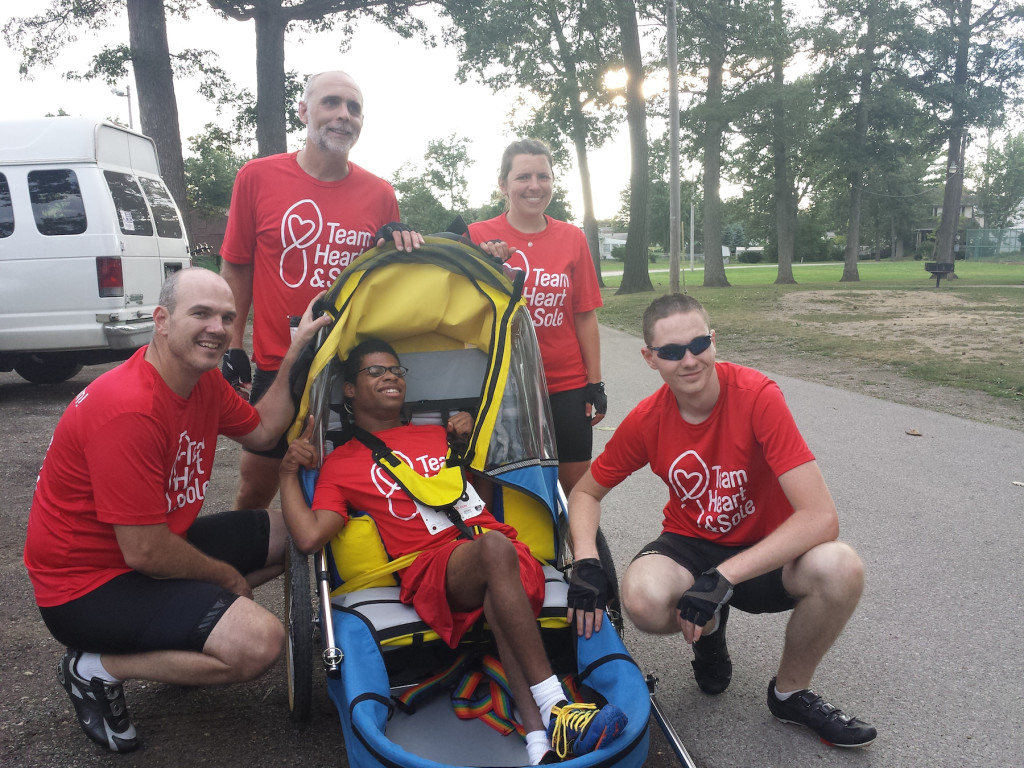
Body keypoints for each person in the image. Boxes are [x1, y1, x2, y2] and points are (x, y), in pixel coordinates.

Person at [23, 267, 332, 753]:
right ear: (162, 320)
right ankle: (94, 668)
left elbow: (264, 430)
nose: (218, 327)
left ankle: (188, 630)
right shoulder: (129, 407)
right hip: (86, 587)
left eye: (227, 317)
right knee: (258, 644)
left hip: (149, 552)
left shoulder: (200, 381)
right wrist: (227, 581)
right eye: (201, 313)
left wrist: (298, 349)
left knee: (289, 531)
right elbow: (144, 551)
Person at [279, 339, 627, 763]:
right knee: (493, 551)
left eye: (396, 370)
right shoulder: (342, 463)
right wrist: (286, 473)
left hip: (498, 556)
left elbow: (469, 500)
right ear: (348, 390)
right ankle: (557, 705)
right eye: (375, 371)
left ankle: (539, 741)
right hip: (432, 571)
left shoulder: (436, 435)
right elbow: (311, 537)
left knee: (497, 568)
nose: (390, 376)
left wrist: (469, 447)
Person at [565, 293, 877, 749]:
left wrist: (724, 577)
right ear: (650, 358)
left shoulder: (757, 396)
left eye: (699, 344)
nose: (689, 360)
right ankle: (709, 633)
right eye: (672, 352)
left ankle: (790, 693)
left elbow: (820, 517)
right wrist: (587, 562)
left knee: (841, 566)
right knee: (643, 599)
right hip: (691, 543)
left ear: (714, 340)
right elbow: (585, 492)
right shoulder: (648, 419)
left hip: (765, 549)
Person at [219, 69, 424, 510]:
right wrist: (232, 343)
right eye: (331, 102)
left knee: (353, 485)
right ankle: (238, 576)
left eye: (354, 108)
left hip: (351, 365)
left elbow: (389, 282)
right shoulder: (256, 177)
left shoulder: (380, 192)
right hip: (280, 364)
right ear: (304, 111)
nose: (343, 115)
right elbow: (236, 266)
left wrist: (400, 242)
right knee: (255, 488)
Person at [468, 139, 605, 493]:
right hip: (503, 384)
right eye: (523, 177)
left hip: (565, 385)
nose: (534, 186)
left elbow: (584, 315)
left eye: (543, 176)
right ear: (503, 184)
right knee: (508, 491)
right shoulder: (478, 236)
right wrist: (484, 262)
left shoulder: (572, 237)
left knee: (575, 491)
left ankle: (582, 549)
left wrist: (595, 381)